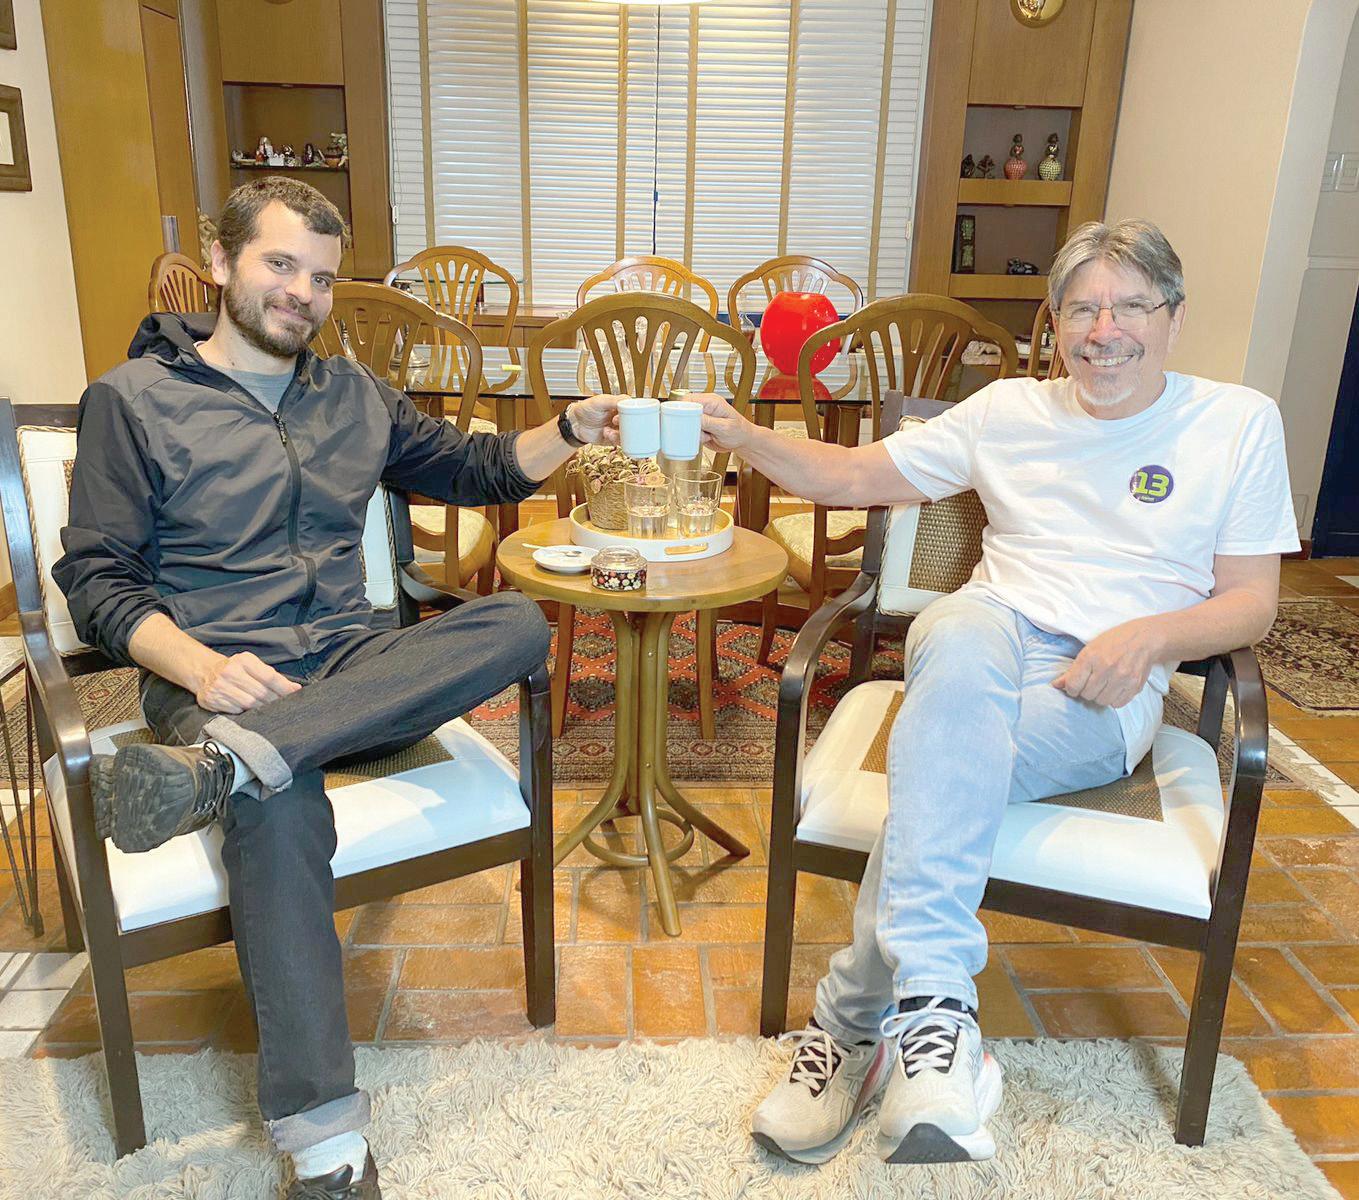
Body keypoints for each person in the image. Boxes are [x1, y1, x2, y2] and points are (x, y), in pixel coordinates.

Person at [53, 177, 620, 1200]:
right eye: (280, 265)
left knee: (515, 620)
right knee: (277, 809)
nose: (301, 294)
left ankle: (230, 768)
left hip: (353, 666)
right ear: (221, 263)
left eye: (319, 277)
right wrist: (202, 669)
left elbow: (480, 469)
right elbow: (98, 582)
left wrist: (572, 427)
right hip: (219, 679)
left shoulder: (352, 393)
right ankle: (324, 1147)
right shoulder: (131, 402)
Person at [689, 219, 1299, 1166]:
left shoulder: (1236, 422)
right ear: (1053, 323)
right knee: (955, 629)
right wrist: (741, 434)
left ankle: (849, 1030)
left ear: (1172, 318)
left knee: (938, 781)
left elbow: (1251, 603)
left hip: (1104, 682)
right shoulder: (1006, 409)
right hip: (984, 633)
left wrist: (1147, 638)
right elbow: (850, 475)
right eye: (1081, 309)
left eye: (1130, 306)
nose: (1104, 331)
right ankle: (938, 1017)